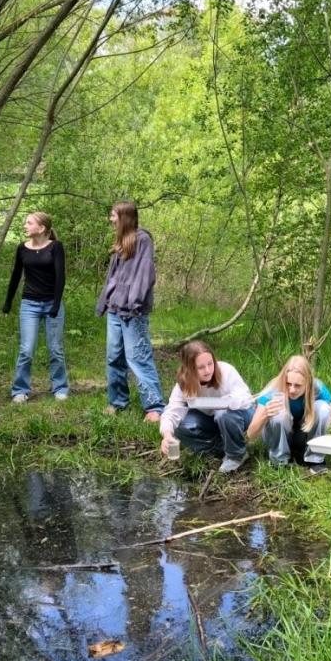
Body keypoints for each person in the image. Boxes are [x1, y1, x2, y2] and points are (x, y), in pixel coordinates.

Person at [96, 200, 167, 422]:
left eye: (113, 215)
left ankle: (154, 407)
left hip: (132, 311)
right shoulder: (121, 242)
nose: (110, 218)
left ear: (124, 216)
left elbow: (145, 275)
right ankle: (117, 401)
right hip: (115, 310)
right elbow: (113, 279)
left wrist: (134, 303)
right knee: (114, 356)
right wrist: (105, 302)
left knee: (138, 357)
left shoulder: (142, 239)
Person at [2, 211, 69, 403]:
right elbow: (15, 276)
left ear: (41, 228)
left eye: (29, 223)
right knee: (26, 349)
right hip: (29, 304)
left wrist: (56, 304)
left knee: (55, 348)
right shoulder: (22, 248)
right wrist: (8, 302)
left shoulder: (56, 247)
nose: (25, 226)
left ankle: (60, 387)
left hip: (51, 304)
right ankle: (20, 390)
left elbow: (60, 277)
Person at [159, 341, 254, 474]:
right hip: (210, 419)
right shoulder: (184, 383)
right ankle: (221, 446)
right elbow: (172, 411)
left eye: (210, 364)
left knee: (223, 414)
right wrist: (167, 435)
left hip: (238, 414)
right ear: (190, 369)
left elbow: (246, 398)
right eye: (201, 367)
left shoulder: (225, 371)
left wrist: (226, 402)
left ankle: (236, 454)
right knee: (180, 426)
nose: (208, 370)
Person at [247, 354, 331, 467]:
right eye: (288, 384)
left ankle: (314, 459)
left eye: (298, 385)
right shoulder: (274, 391)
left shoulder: (317, 388)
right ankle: (280, 461)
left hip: (301, 434)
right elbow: (250, 434)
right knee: (279, 414)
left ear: (307, 383)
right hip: (277, 436)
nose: (292, 390)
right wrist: (265, 414)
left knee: (324, 408)